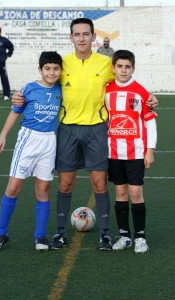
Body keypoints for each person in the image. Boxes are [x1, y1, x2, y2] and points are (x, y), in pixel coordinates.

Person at [11, 18, 159, 251]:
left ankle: (105, 235)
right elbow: (44, 82)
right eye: (77, 34)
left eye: (86, 34)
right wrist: (19, 96)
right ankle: (59, 233)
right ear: (71, 37)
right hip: (68, 130)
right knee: (65, 184)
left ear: (93, 37)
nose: (81, 38)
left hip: (97, 131)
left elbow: (128, 81)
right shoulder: (63, 63)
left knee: (100, 184)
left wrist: (149, 96)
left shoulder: (105, 63)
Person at [0, 51, 62, 252]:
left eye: (56, 69)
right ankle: (0, 233)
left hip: (49, 142)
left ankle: (40, 237)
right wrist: (2, 136)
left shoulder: (62, 90)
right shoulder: (29, 89)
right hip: (29, 140)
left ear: (61, 71)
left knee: (43, 189)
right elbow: (15, 112)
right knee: (13, 187)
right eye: (47, 68)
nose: (51, 72)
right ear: (40, 69)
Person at [105, 50, 157, 254]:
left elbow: (150, 122)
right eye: (120, 66)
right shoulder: (106, 90)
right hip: (114, 152)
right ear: (113, 68)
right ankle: (124, 235)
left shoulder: (141, 93)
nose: (123, 70)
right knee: (120, 193)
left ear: (133, 69)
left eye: (127, 67)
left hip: (135, 151)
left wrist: (149, 150)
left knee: (136, 193)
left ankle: (141, 237)